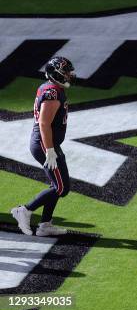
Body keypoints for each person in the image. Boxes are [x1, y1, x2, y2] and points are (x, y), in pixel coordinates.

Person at [11, 57, 76, 237]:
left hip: (49, 143)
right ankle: (24, 210)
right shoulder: (52, 93)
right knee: (61, 188)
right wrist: (49, 150)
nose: (70, 75)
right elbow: (44, 124)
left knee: (56, 185)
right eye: (66, 73)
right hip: (44, 144)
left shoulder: (52, 88)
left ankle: (45, 224)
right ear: (56, 74)